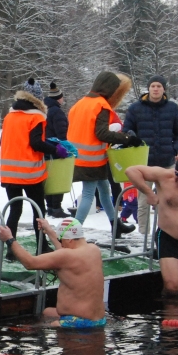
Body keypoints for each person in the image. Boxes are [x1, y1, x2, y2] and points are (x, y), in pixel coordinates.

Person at [0, 79, 67, 256]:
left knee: (15, 209)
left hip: (9, 171)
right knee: (38, 210)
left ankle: (11, 250)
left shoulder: (9, 116)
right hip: (30, 172)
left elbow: (4, 141)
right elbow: (36, 143)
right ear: (37, 99)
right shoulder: (36, 117)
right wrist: (55, 149)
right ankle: (41, 246)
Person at [67, 71, 139, 236]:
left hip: (80, 157)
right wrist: (127, 138)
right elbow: (102, 134)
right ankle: (73, 232)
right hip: (92, 160)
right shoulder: (101, 106)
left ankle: (116, 224)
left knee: (105, 191)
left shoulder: (79, 104)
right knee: (88, 195)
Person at [126, 155, 178, 295]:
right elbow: (131, 171)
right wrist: (149, 193)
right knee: (172, 286)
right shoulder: (163, 176)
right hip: (167, 238)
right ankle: (166, 314)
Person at [0, 218, 106, 328]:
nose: (61, 244)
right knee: (47, 312)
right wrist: (49, 231)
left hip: (76, 322)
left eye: (61, 240)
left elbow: (30, 263)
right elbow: (66, 251)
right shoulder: (94, 250)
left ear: (69, 240)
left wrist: (10, 239)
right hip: (99, 320)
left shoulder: (66, 256)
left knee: (26, 328)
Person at [122, 75, 178, 232]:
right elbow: (126, 132)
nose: (156, 89)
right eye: (153, 86)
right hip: (144, 162)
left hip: (167, 161)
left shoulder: (172, 108)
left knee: (169, 199)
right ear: (148, 88)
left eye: (159, 86)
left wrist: (174, 149)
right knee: (144, 199)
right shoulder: (135, 108)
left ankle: (166, 231)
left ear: (164, 89)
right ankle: (143, 234)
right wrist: (133, 140)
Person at [43, 82, 69, 218]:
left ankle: (50, 206)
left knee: (49, 177)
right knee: (59, 177)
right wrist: (65, 147)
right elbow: (62, 132)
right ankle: (56, 207)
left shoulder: (43, 109)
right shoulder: (57, 112)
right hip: (56, 148)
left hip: (45, 148)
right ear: (58, 98)